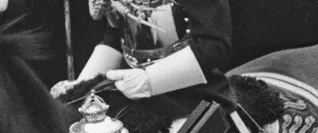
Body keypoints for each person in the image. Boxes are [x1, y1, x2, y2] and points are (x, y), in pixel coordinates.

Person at [50, 0, 233, 121]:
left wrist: (149, 80)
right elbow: (117, 35)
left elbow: (215, 45)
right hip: (135, 98)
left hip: (194, 97)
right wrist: (81, 88)